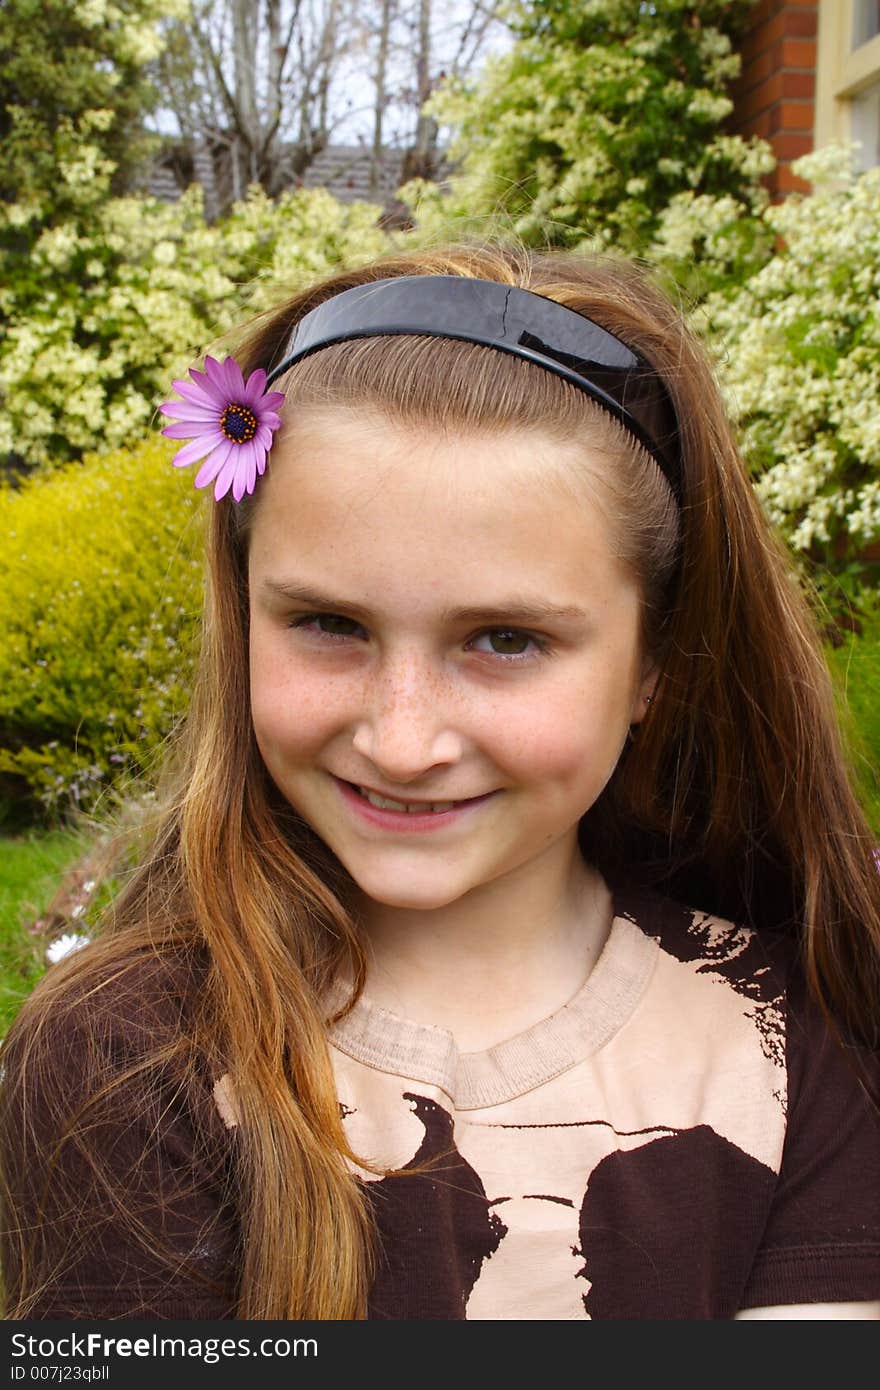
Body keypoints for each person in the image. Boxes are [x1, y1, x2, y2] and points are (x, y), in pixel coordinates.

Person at [1, 240, 878, 1322]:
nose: (403, 741)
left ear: (653, 661)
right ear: (243, 616)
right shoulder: (128, 1062)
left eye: (503, 639)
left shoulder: (793, 1042)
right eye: (328, 624)